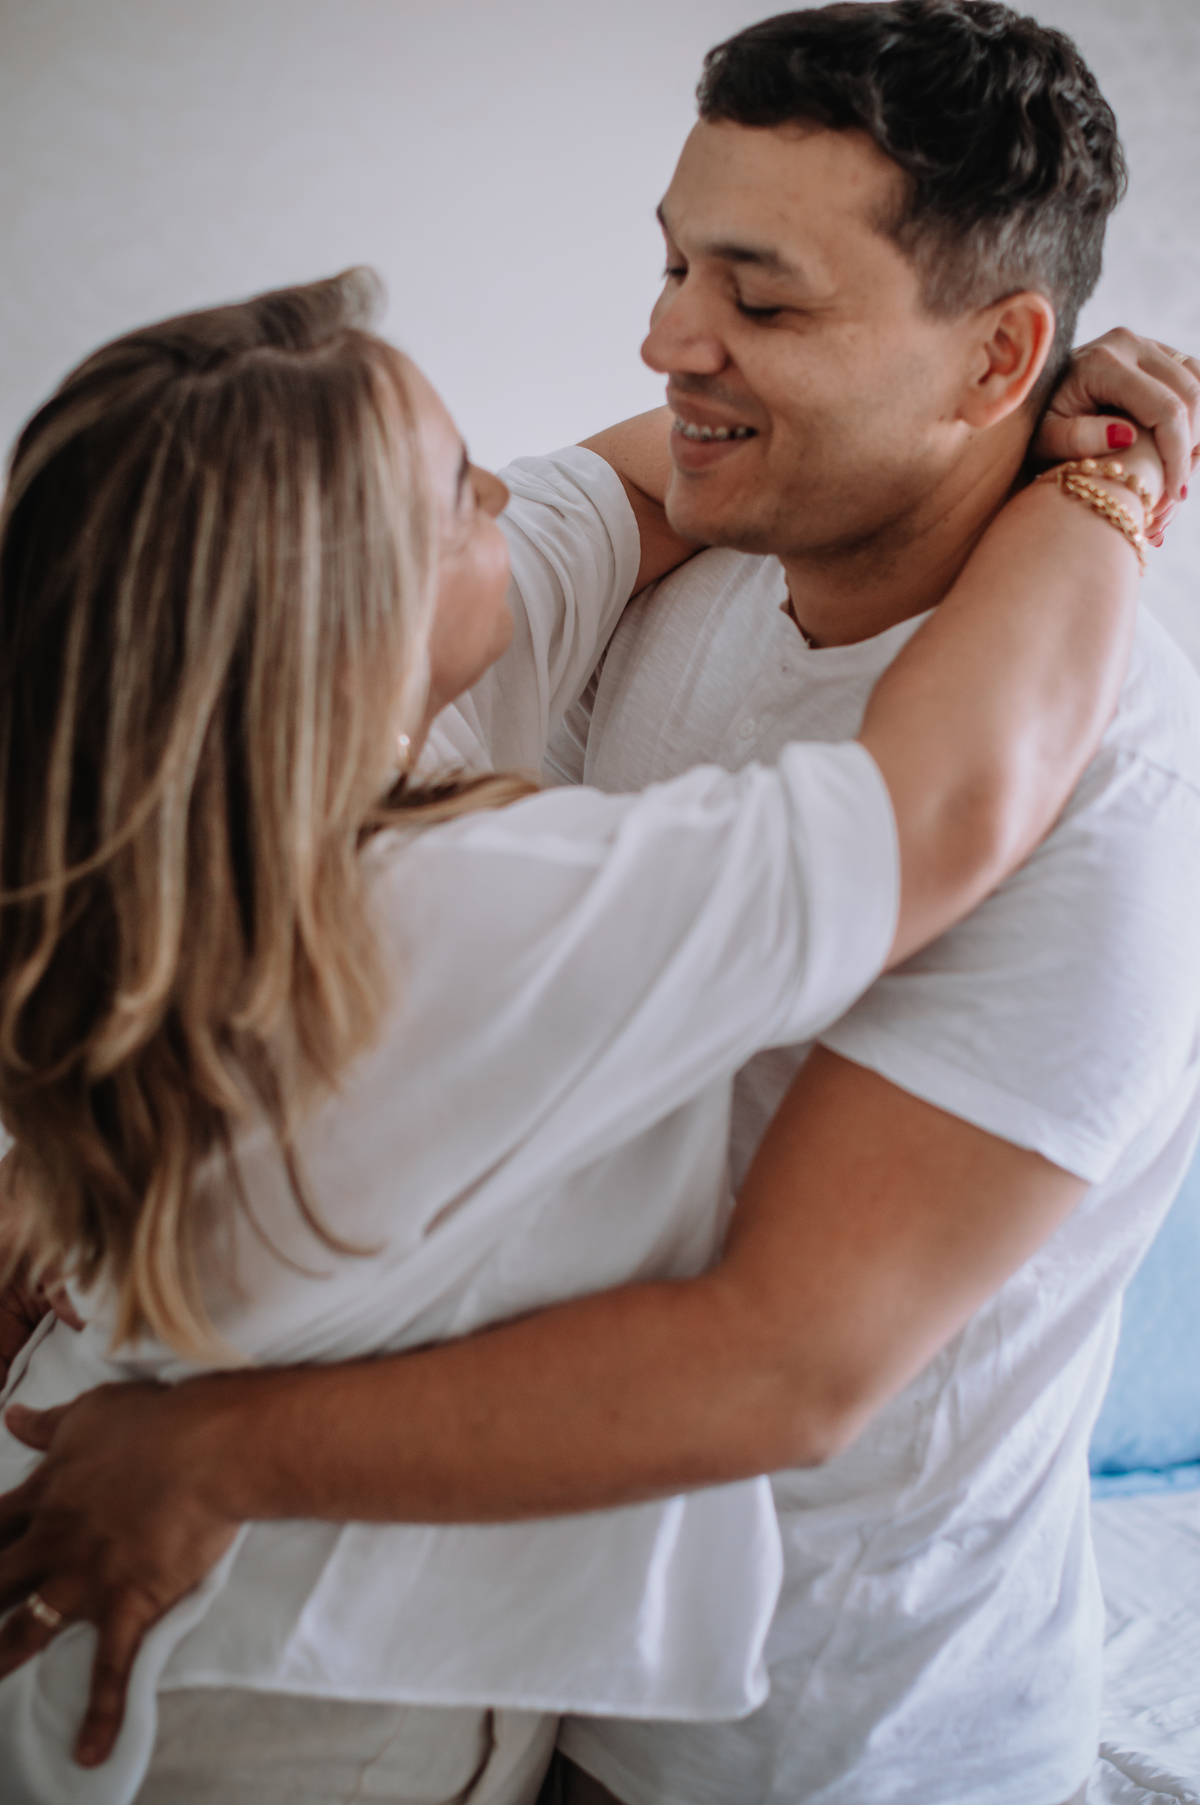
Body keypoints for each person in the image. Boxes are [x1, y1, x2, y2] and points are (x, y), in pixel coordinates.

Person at [0, 3, 1198, 1802]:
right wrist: (1098, 471)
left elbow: (789, 1362)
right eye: (674, 266)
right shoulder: (660, 608)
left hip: (816, 1750)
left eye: (756, 296)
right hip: (481, 1671)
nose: (663, 343)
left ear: (997, 354)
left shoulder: (1108, 776)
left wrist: (205, 1443)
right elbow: (906, 790)